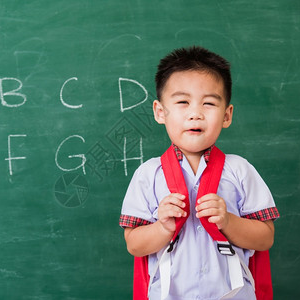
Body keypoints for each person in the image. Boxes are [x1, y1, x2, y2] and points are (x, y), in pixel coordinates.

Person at [119, 46, 279, 300]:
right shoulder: (148, 174)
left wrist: (228, 221)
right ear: (160, 112)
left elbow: (265, 238)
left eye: (209, 103)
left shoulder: (240, 170)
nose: (195, 114)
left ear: (227, 115)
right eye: (182, 102)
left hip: (234, 293)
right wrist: (162, 228)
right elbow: (134, 245)